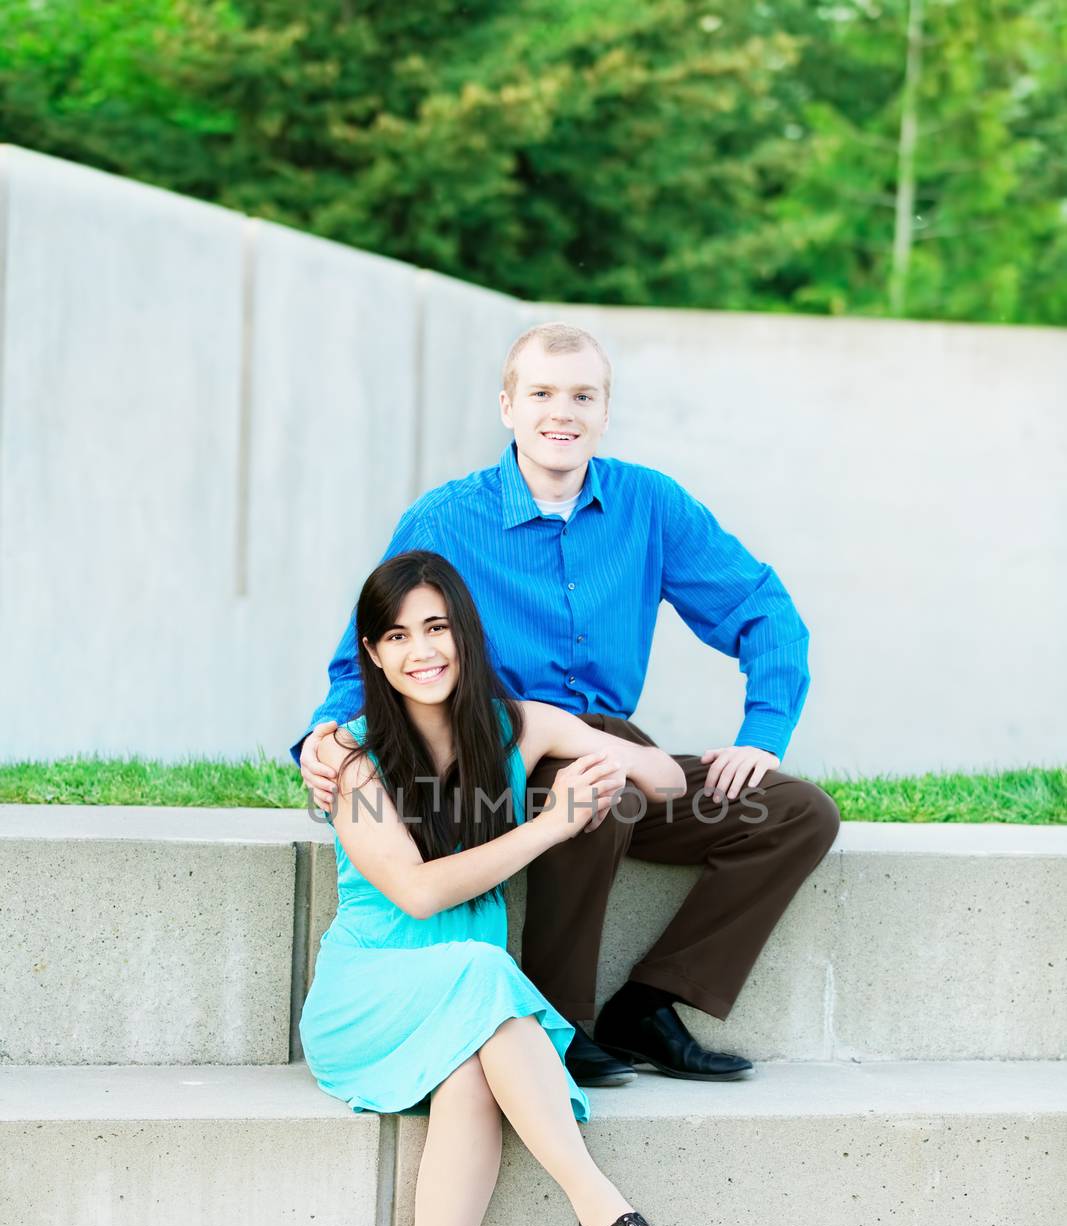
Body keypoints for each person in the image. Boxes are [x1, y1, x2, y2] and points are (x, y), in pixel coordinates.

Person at [295, 322, 840, 1091]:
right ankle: (556, 1021)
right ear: (508, 407)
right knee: (596, 785)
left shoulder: (648, 505)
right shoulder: (448, 519)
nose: (563, 412)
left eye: (582, 395)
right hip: (496, 761)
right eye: (543, 394)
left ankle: (649, 1003)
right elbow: (378, 640)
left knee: (793, 815)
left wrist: (763, 733)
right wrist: (324, 734)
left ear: (605, 411)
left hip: (613, 743)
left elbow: (760, 606)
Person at [299, 549, 697, 1226]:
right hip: (371, 994)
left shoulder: (519, 727)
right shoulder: (353, 762)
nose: (420, 651)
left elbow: (666, 780)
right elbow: (416, 891)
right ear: (372, 654)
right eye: (396, 636)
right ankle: (602, 1214)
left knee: (479, 1068)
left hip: (467, 1008)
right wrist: (552, 827)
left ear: (463, 633)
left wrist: (613, 764)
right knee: (488, 971)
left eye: (435, 628)